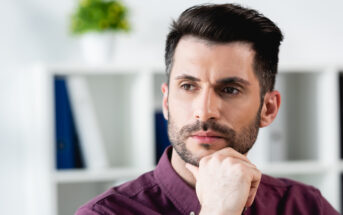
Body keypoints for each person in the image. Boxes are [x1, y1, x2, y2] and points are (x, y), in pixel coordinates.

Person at [76, 3, 339, 215]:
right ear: (166, 102)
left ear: (268, 109)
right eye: (188, 86)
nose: (204, 111)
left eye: (230, 89)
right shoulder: (104, 213)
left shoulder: (305, 206)